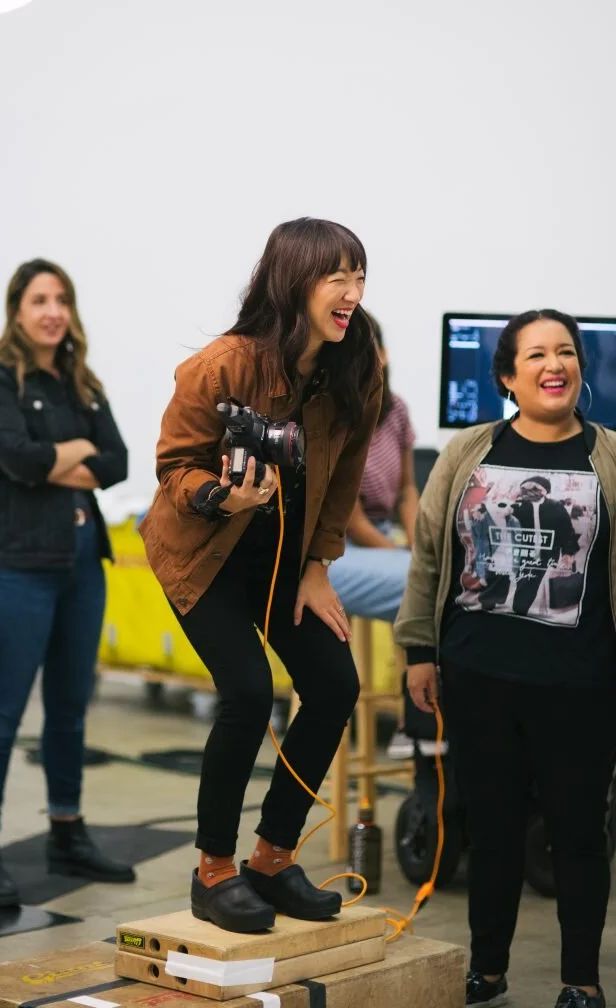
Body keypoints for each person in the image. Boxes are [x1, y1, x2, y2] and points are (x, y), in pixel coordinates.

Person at [140, 218, 382, 933]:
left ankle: (271, 859)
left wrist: (318, 569)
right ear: (293, 280)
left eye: (360, 274)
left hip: (284, 562)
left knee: (336, 684)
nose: (352, 291)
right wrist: (221, 497)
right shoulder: (224, 365)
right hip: (205, 554)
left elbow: (341, 485)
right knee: (246, 690)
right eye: (336, 275)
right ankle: (212, 871)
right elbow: (173, 467)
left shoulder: (356, 364)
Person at [395, 309, 616, 1008]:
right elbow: (430, 555)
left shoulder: (608, 455)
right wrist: (419, 652)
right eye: (538, 355)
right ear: (507, 376)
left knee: (580, 834)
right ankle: (487, 970)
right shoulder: (467, 452)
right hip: (478, 677)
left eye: (567, 353)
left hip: (580, 683)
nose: (556, 365)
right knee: (489, 833)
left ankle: (580, 979)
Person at [0, 258, 132, 907]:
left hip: (83, 563)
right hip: (14, 568)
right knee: (1, 713)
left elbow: (116, 462)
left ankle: (67, 830)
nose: (52, 311)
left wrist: (54, 459)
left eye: (61, 298)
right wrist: (73, 452)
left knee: (69, 710)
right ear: (17, 310)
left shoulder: (81, 383)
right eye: (39, 299)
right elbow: (17, 459)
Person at [327, 314, 419, 758]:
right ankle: (417, 721)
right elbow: (350, 518)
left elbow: (407, 491)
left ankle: (423, 715)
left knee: (435, 573)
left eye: (374, 349)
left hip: (385, 535)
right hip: (340, 545)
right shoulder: (336, 416)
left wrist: (422, 546)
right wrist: (405, 556)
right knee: (423, 586)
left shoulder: (396, 408)